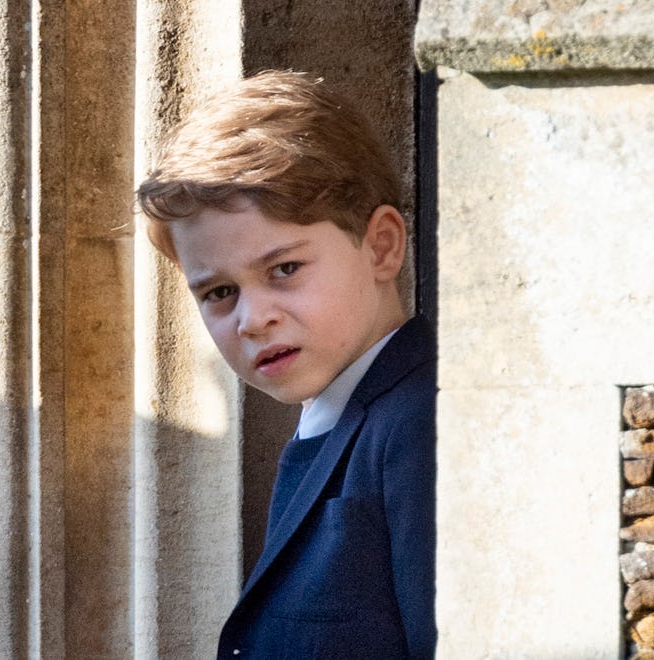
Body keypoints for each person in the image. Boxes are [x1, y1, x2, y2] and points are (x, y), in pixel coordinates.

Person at [136, 71, 436, 659]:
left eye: (284, 270)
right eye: (219, 292)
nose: (252, 319)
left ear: (381, 246)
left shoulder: (422, 423)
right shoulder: (335, 417)